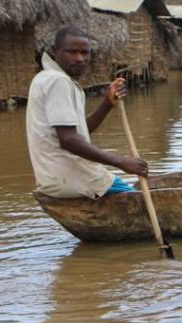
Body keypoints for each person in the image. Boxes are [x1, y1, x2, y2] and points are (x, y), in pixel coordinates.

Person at [27, 26, 148, 200]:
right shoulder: (57, 81)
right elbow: (69, 140)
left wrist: (107, 104)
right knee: (138, 201)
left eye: (85, 53)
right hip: (71, 177)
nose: (80, 58)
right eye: (72, 52)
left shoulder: (50, 78)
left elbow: (78, 133)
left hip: (55, 178)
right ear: (55, 51)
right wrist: (121, 162)